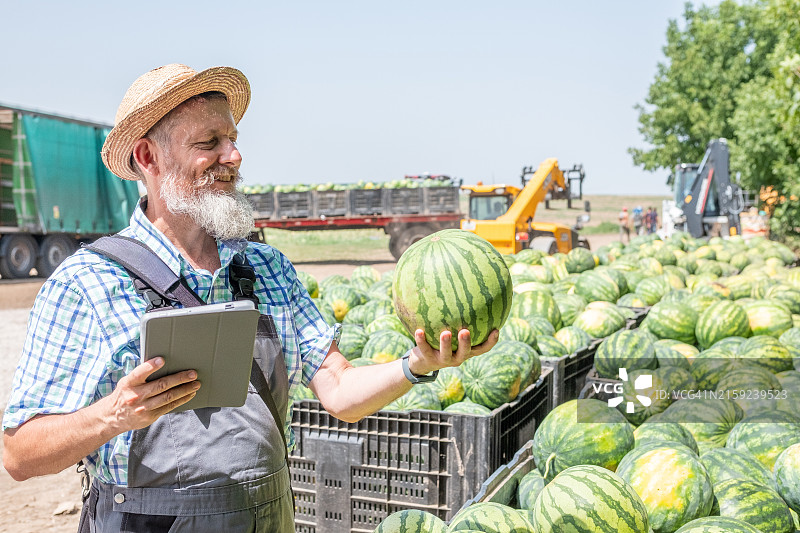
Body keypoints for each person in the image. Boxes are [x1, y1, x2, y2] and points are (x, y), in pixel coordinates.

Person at [1, 64, 498, 532]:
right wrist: (114, 414)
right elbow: (19, 454)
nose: (233, 156)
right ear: (148, 157)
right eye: (209, 142)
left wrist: (418, 363)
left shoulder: (268, 270)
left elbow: (341, 392)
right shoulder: (87, 283)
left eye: (233, 139)